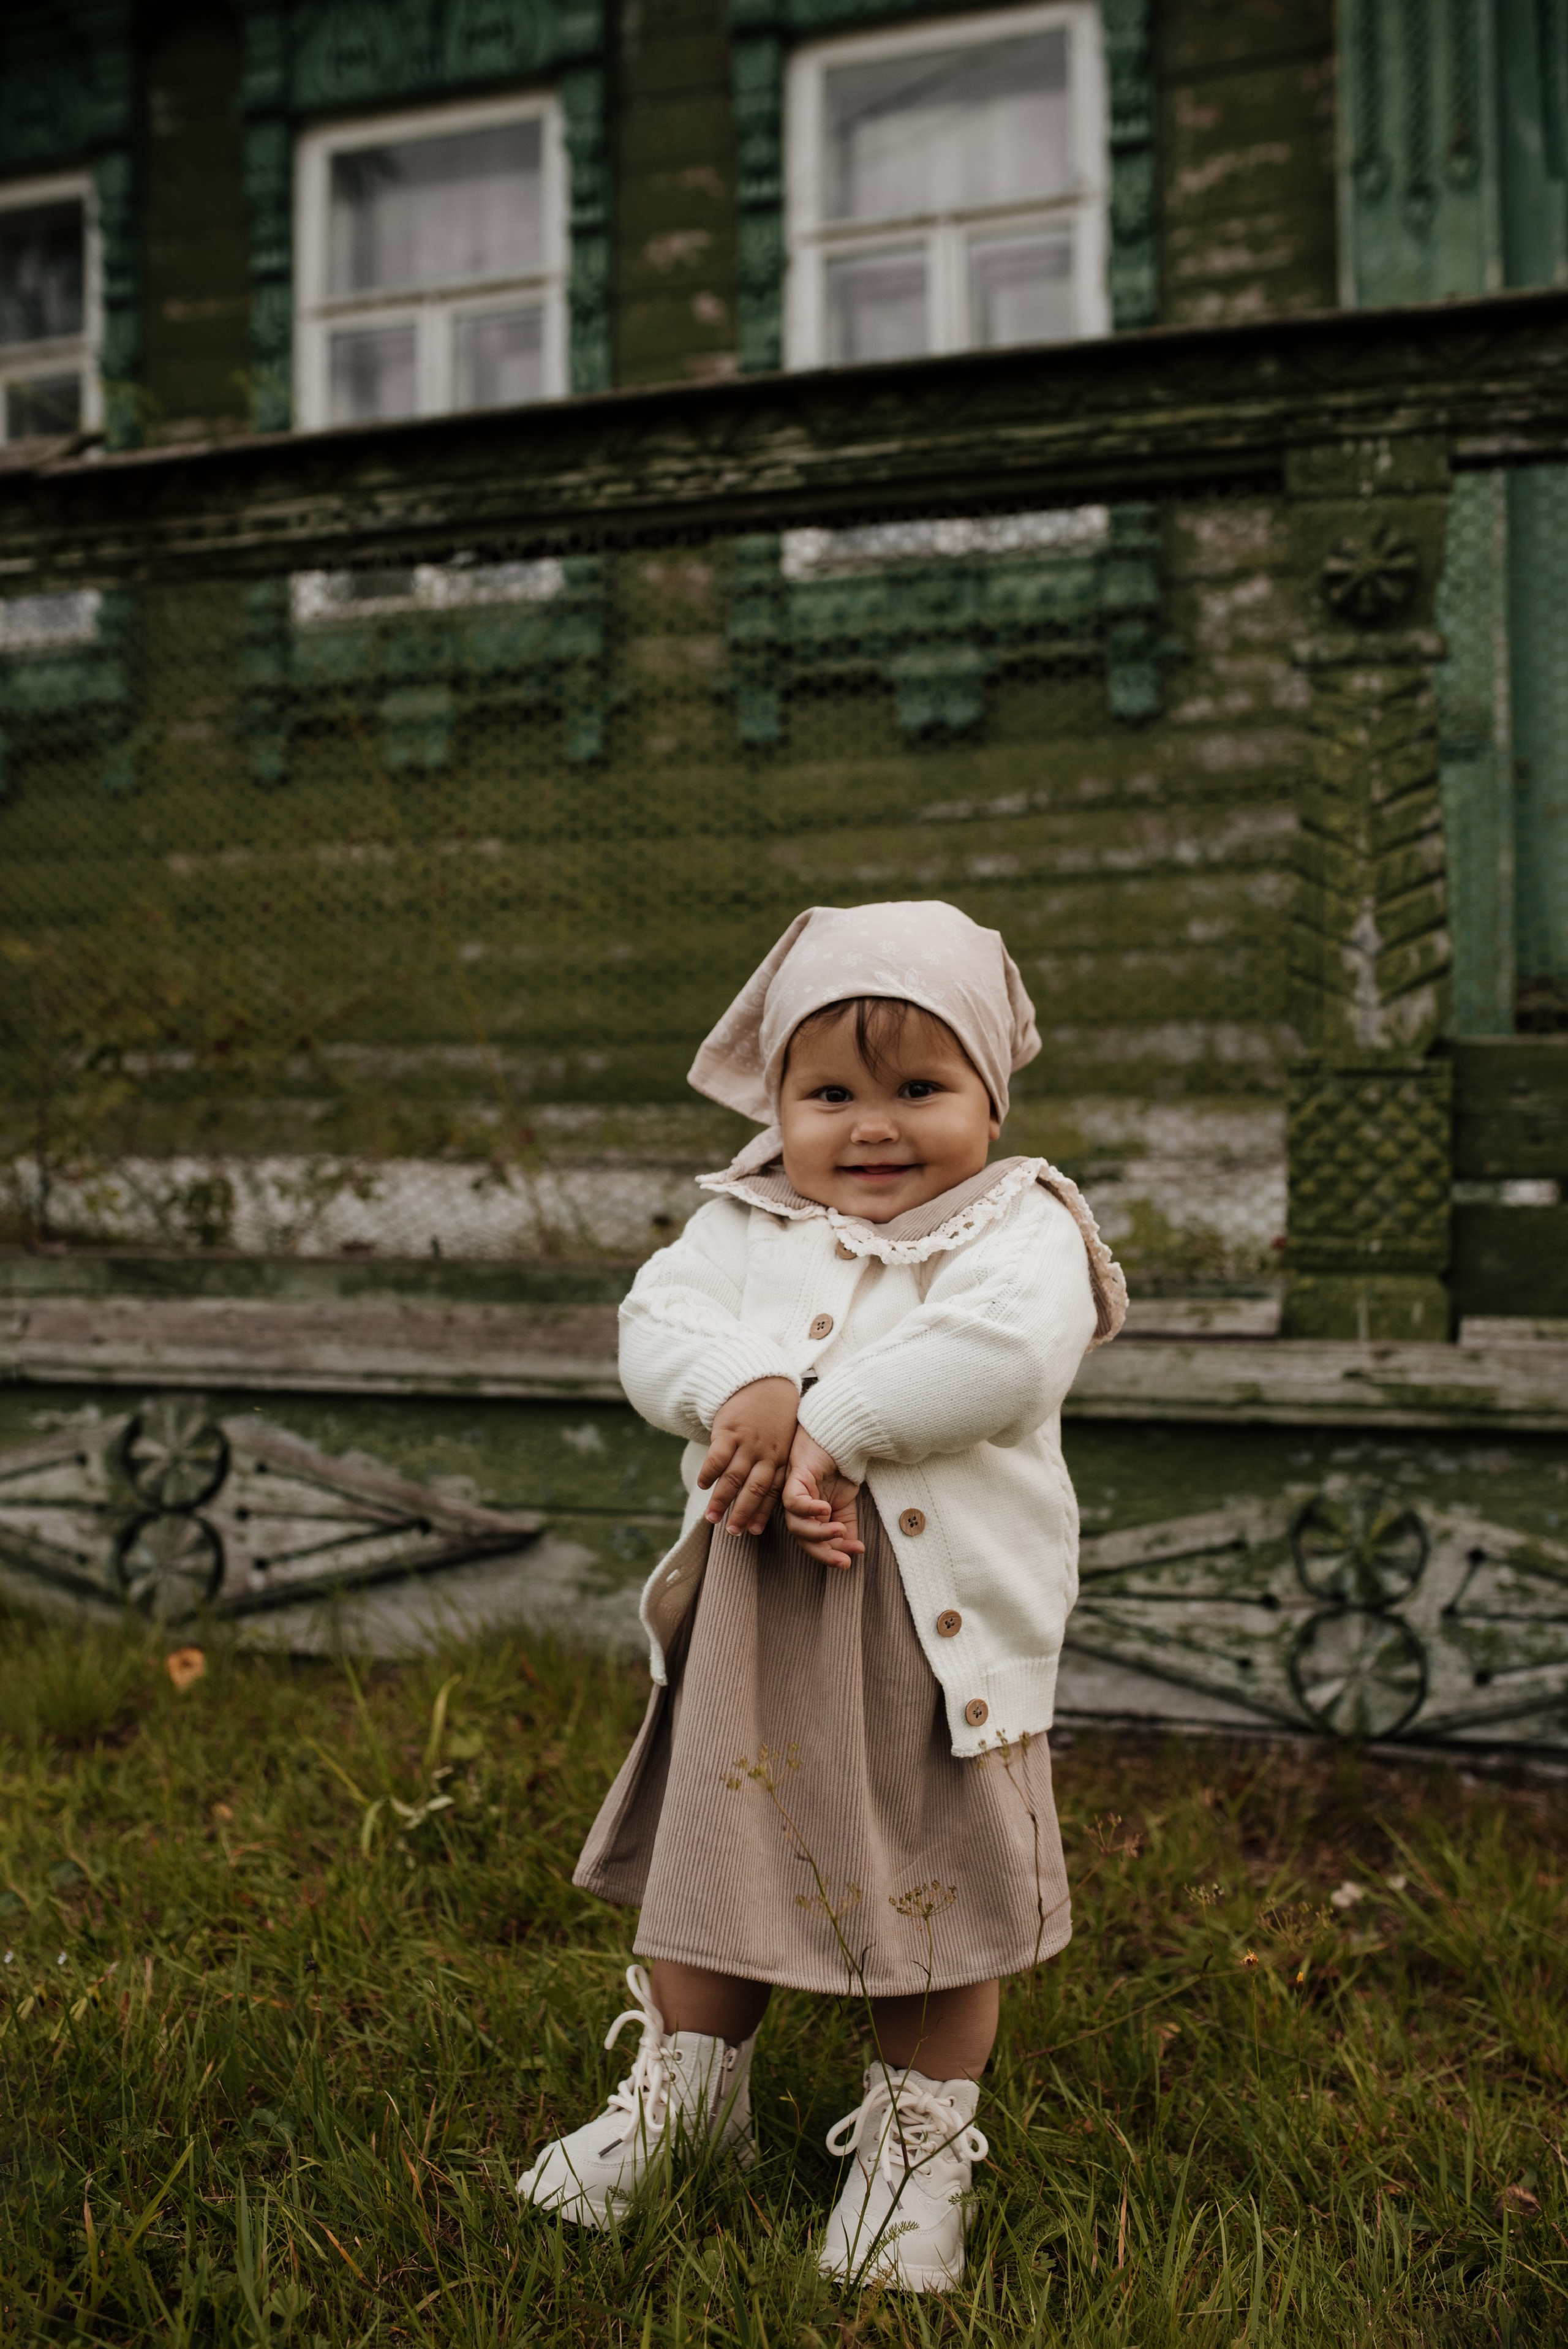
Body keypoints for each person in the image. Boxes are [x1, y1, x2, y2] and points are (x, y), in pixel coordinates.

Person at [516, 900, 1125, 2290]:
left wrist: (828, 1423)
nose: (871, 1127)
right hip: (756, 1618)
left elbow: (1003, 1359)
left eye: (920, 1089)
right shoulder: (739, 1219)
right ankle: (691, 2096)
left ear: (989, 1094)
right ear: (775, 1098)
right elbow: (655, 1322)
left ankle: (913, 2146)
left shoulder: (1021, 1223)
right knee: (715, 1847)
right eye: (828, 1092)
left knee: (931, 1878)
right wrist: (738, 1389)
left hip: (929, 1634)